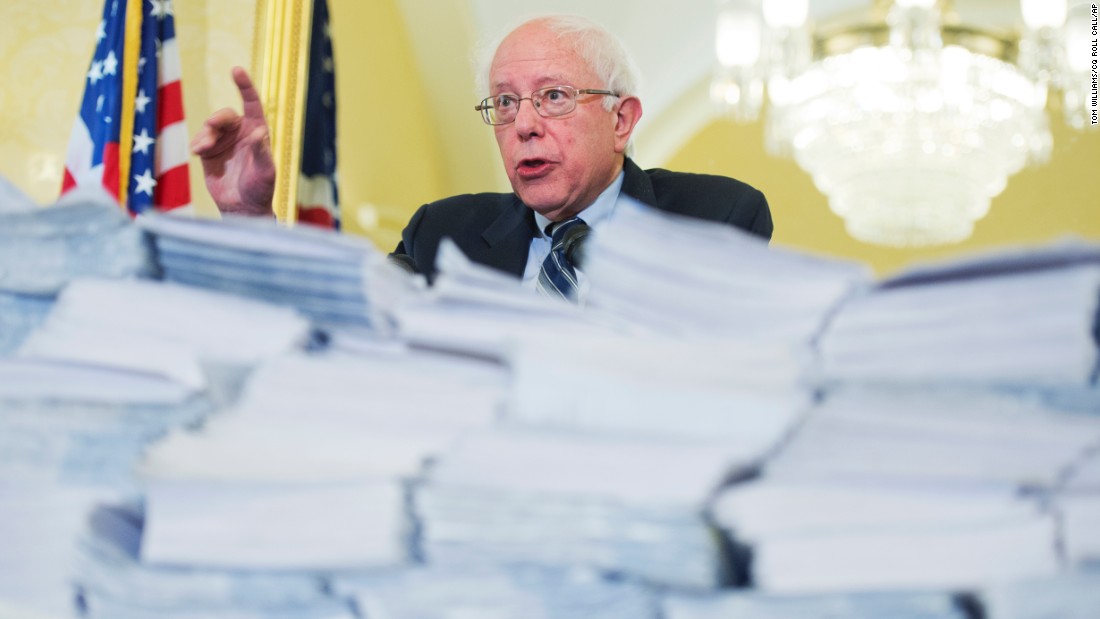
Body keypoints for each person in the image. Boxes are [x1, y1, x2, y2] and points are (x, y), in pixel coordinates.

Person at [192, 15, 772, 298]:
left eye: (553, 97)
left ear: (621, 120)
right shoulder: (444, 233)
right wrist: (251, 220)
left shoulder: (715, 216)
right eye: (503, 102)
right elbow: (347, 324)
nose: (523, 125)